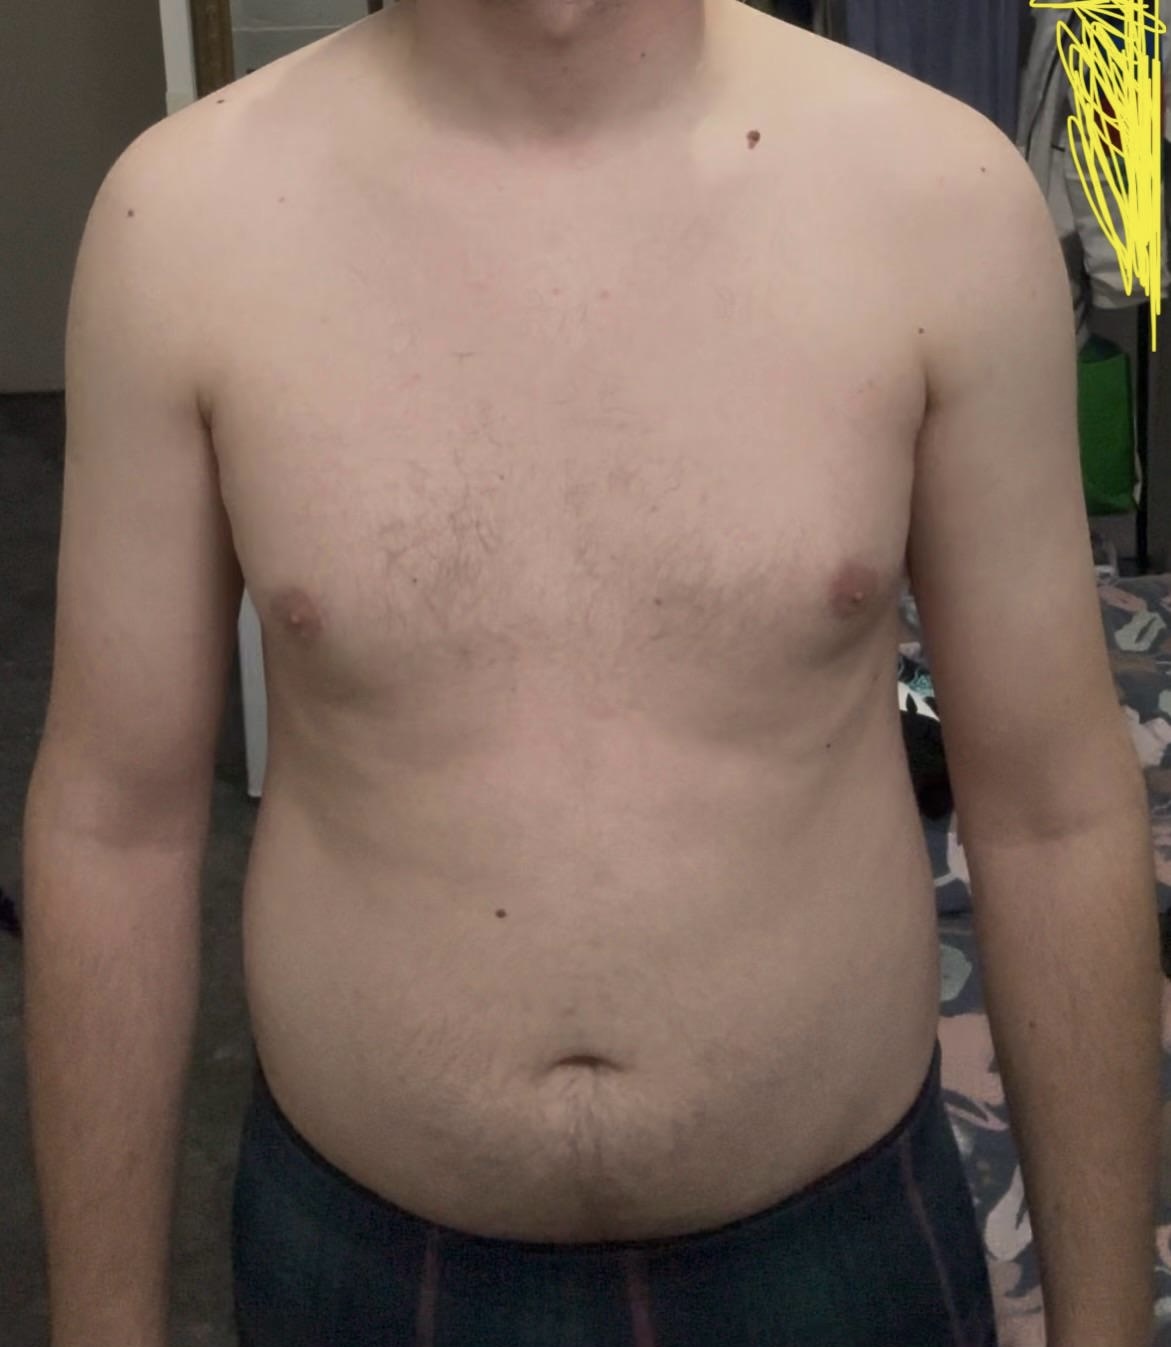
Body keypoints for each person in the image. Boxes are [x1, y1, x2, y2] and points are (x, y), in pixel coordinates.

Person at [21, 0, 1163, 1344]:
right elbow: (115, 827)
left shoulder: (941, 201)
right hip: (360, 1263)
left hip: (834, 1257)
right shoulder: (182, 225)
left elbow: (1052, 812)